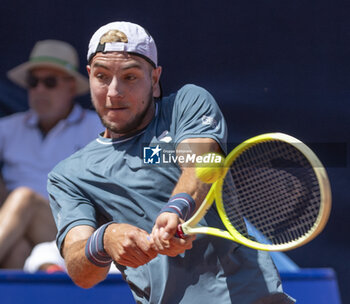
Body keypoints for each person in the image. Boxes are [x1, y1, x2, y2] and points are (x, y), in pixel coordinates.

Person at [47, 21, 295, 303]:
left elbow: (202, 162)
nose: (114, 92)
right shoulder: (68, 176)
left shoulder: (187, 104)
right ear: (90, 76)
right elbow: (81, 271)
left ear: (154, 80)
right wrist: (104, 240)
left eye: (130, 77)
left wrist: (177, 208)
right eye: (102, 76)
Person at [0, 39, 102, 269]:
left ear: (72, 87)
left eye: (49, 82)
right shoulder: (8, 128)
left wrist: (198, 154)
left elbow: (154, 153)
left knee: (23, 198)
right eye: (33, 82)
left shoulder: (98, 127)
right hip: (15, 233)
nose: (39, 90)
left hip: (75, 231)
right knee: (17, 251)